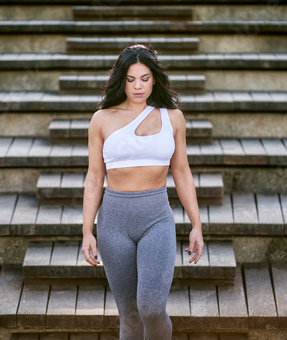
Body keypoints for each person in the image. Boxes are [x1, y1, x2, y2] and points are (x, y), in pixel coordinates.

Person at [81, 44, 204, 340]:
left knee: (150, 307)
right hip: (114, 222)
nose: (138, 86)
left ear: (155, 79)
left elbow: (183, 172)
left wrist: (196, 224)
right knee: (131, 315)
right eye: (131, 79)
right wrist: (87, 230)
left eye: (145, 79)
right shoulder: (101, 119)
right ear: (120, 79)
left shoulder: (173, 117)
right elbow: (95, 178)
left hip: (156, 220)